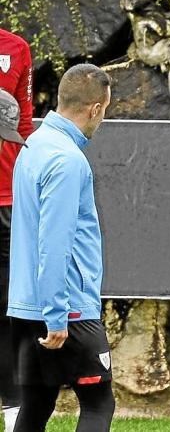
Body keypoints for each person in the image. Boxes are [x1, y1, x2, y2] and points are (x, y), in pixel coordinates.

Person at [7, 64, 115, 432]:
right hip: (67, 313)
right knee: (99, 404)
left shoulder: (33, 145)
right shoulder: (68, 161)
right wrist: (57, 315)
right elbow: (54, 244)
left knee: (36, 407)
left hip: (26, 311)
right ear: (95, 109)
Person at [0, 26, 33, 432]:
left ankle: (13, 406)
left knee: (10, 306)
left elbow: (24, 119)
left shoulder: (16, 48)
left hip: (8, 199)